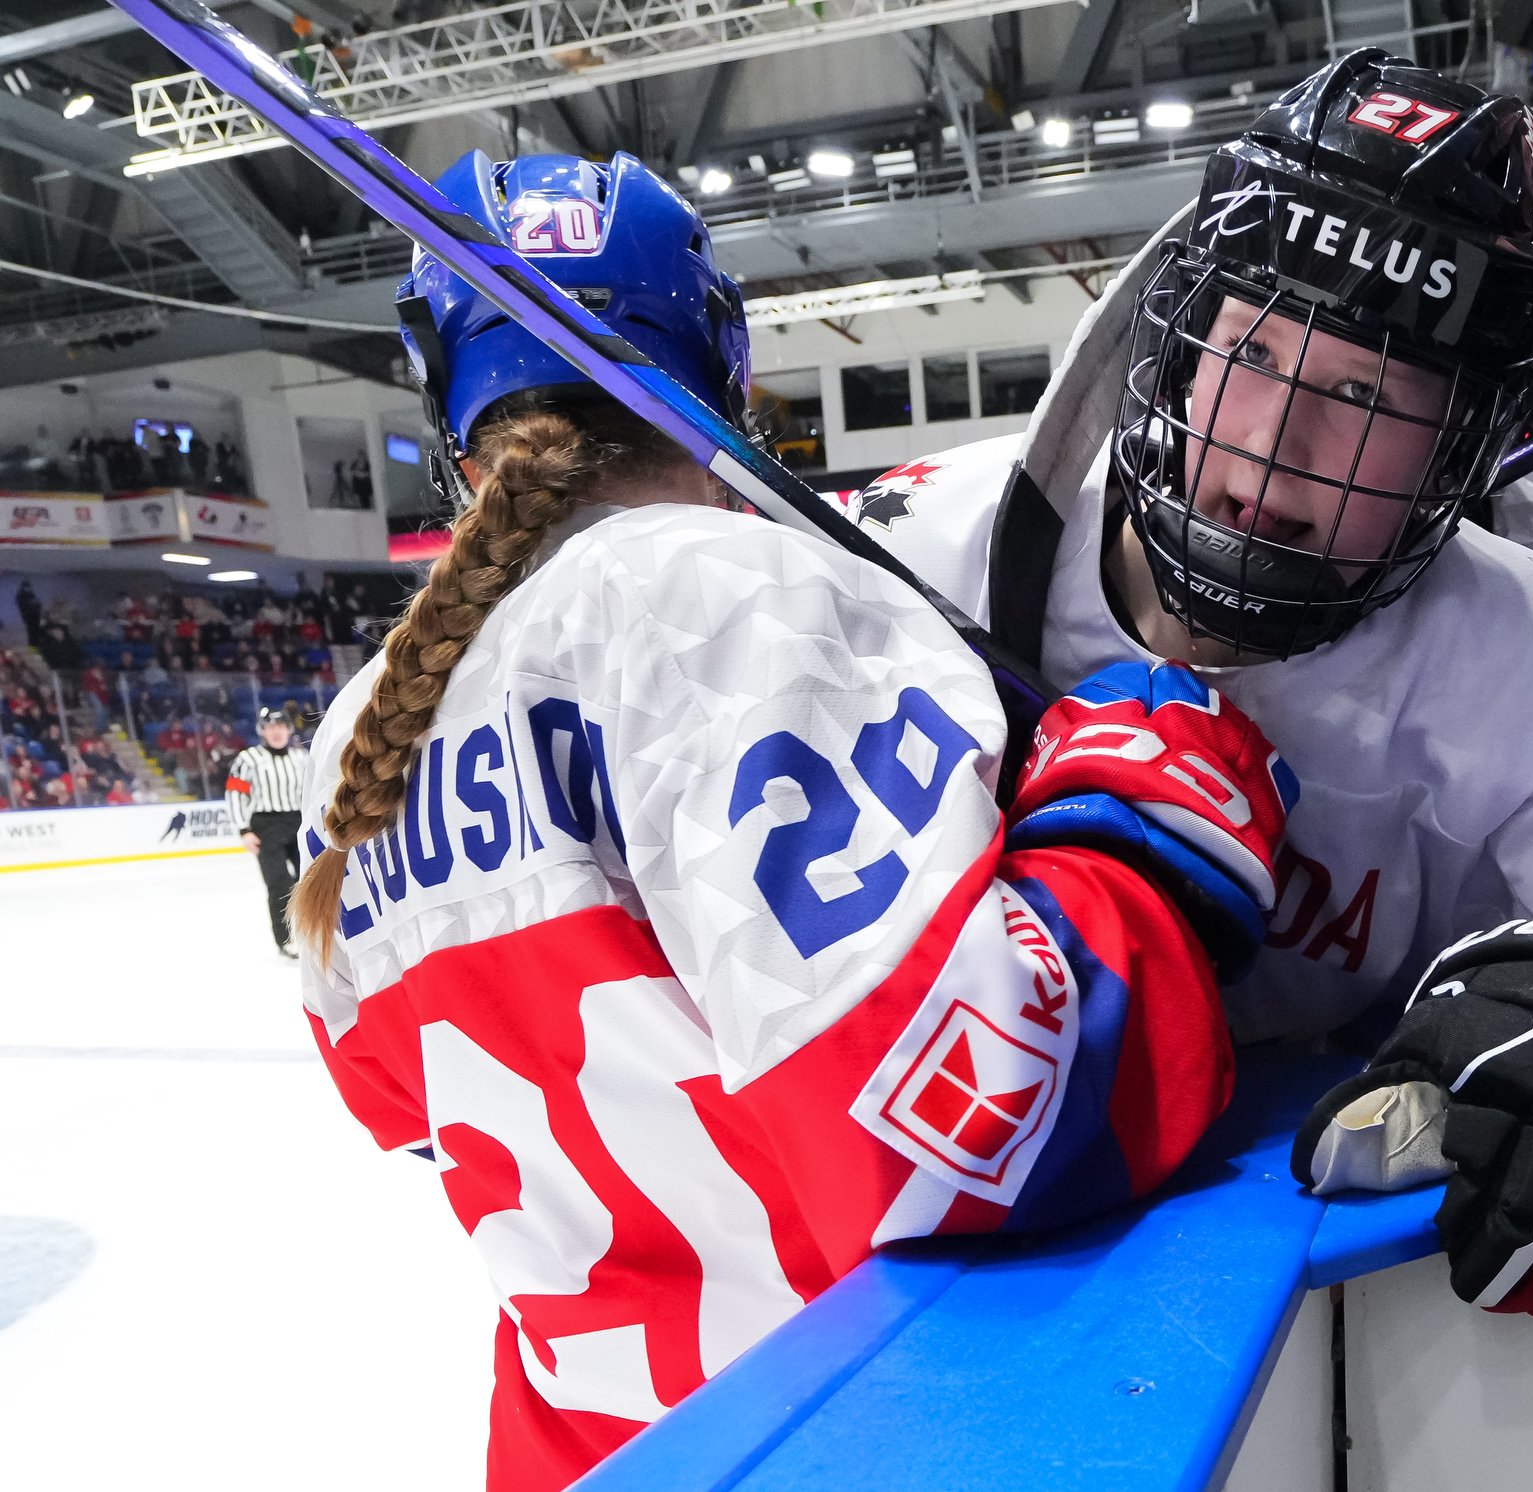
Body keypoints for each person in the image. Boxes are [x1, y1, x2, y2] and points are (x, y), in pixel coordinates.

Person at [291, 150, 1295, 1492]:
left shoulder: (362, 725)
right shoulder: (719, 593)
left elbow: (393, 1099)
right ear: (722, 371)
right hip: (830, 1434)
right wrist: (1132, 820)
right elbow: (977, 1120)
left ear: (449, 420)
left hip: (583, 1459)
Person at [848, 51, 1533, 1348]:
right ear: (1182, 334)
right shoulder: (918, 553)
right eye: (1253, 349)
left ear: (1459, 446)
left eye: (1360, 393)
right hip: (932, 1242)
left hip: (1317, 1243)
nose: (1274, 448)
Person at [227, 706, 310, 956]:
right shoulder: (248, 759)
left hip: (298, 821)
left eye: (281, 726)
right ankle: (285, 939)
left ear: (289, 729)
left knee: (309, 880)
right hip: (266, 825)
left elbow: (312, 791)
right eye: (270, 727)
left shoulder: (301, 757)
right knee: (279, 883)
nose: (276, 732)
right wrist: (243, 829)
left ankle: (313, 933)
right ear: (262, 731)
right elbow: (235, 793)